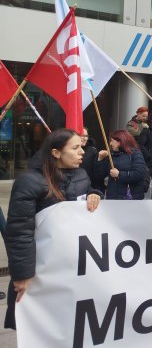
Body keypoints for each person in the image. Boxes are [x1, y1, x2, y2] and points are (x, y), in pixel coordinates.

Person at [4, 129, 102, 329]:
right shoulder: (29, 181)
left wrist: (94, 194)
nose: (82, 152)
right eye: (75, 147)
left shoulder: (82, 174)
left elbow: (86, 194)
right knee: (36, 327)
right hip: (40, 267)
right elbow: (20, 232)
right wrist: (22, 274)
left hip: (70, 265)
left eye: (81, 146)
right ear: (56, 153)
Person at [95, 130, 148, 200]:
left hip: (131, 197)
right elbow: (99, 176)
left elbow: (139, 173)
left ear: (120, 141)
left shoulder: (135, 154)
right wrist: (100, 159)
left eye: (112, 141)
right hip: (113, 196)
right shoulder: (111, 155)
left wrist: (119, 174)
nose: (110, 144)